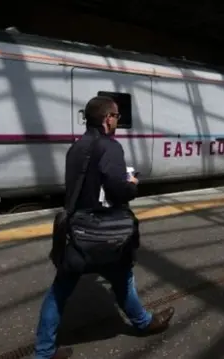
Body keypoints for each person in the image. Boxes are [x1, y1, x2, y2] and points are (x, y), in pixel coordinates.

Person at [34, 95, 175, 359]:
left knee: (59, 292)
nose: (118, 122)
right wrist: (132, 183)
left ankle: (43, 353)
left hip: (78, 232)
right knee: (123, 279)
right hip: (107, 231)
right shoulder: (110, 147)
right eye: (117, 117)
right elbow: (118, 191)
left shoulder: (76, 149)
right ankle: (144, 323)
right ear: (107, 119)